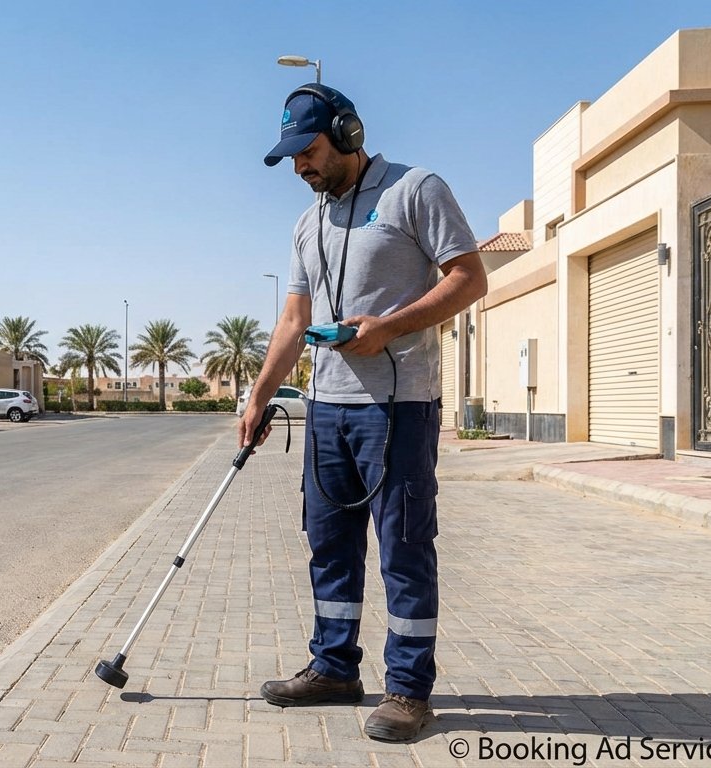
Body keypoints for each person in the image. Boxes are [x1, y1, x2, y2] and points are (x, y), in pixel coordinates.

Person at [240, 83, 487, 742]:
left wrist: (388, 328)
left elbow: (469, 277)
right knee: (329, 548)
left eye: (310, 150)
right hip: (326, 410)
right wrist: (261, 395)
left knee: (404, 550)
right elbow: (294, 318)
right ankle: (333, 669)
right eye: (291, 156)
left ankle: (408, 689)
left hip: (398, 407)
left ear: (348, 134)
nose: (300, 167)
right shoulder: (307, 222)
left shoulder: (416, 190)